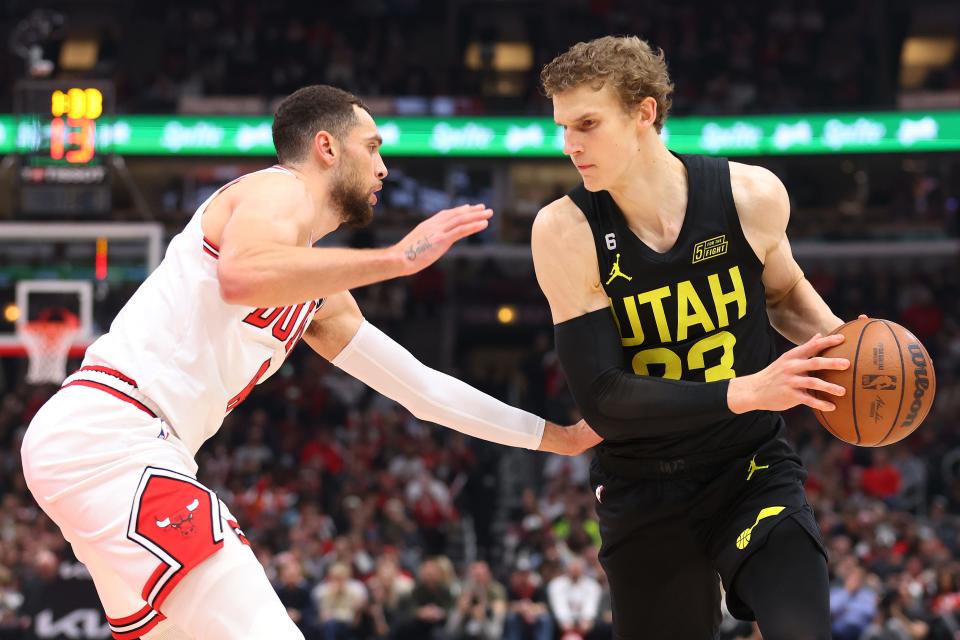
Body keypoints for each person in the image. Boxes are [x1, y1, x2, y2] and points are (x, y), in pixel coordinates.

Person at [20, 84, 601, 640]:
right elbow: (240, 276)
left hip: (119, 446)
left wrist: (559, 439)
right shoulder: (278, 189)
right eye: (372, 147)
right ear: (326, 147)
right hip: (113, 437)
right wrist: (397, 259)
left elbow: (422, 391)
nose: (384, 169)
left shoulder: (316, 291)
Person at [533, 36, 854, 639]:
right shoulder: (565, 231)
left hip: (750, 464)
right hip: (644, 484)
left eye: (587, 124)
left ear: (645, 112)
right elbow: (602, 398)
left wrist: (850, 355)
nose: (570, 144)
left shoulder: (750, 197)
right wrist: (744, 391)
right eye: (562, 126)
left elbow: (783, 296)